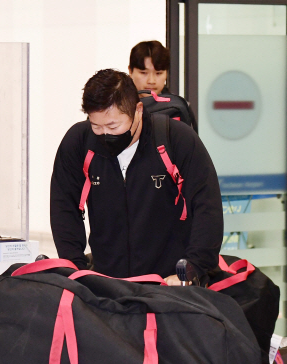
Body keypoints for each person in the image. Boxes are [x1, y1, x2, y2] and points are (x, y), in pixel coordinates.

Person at [50, 69, 222, 285]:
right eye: (96, 126)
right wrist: (75, 269)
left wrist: (193, 268)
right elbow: (63, 207)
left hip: (168, 282)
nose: (105, 135)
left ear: (138, 110)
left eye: (113, 126)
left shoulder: (176, 139)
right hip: (107, 283)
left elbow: (207, 206)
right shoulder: (79, 143)